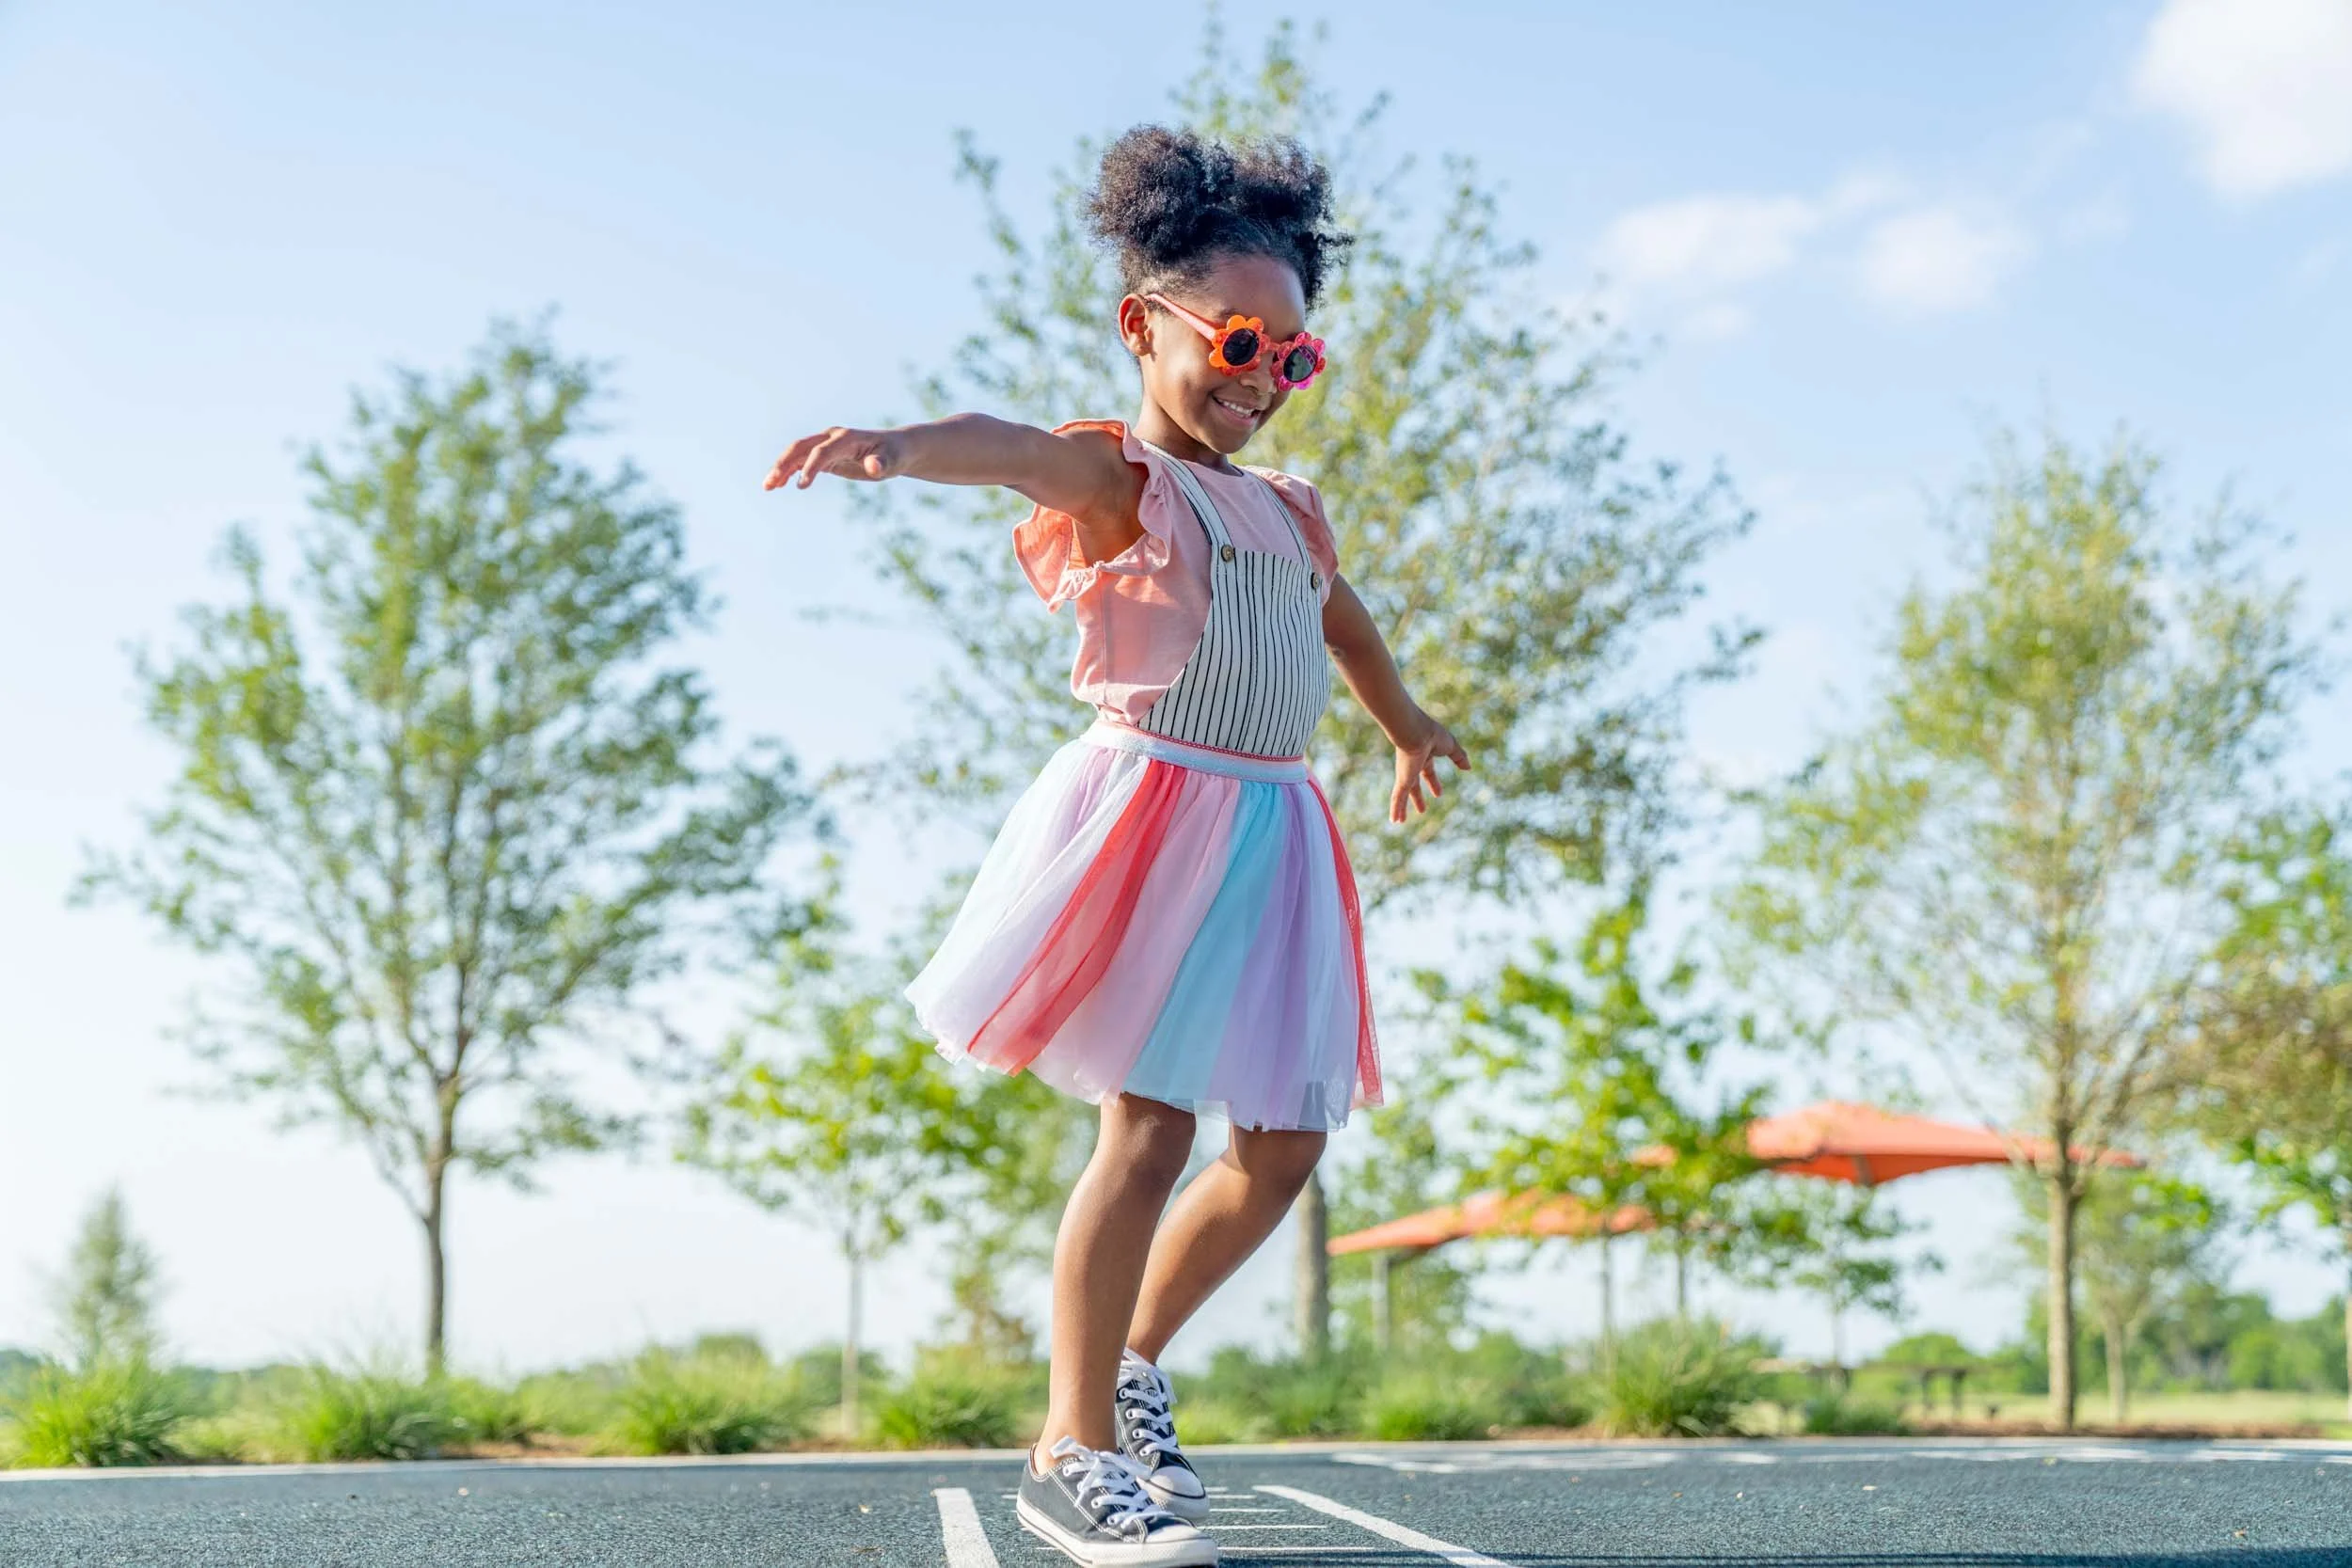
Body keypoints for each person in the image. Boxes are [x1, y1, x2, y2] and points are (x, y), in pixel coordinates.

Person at [764, 123, 1468, 1568]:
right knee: (1145, 1126)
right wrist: (899, 449)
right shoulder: (1123, 488)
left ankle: (1132, 1369)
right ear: (1145, 328)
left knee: (1284, 1143)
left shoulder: (1290, 509)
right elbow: (1012, 451)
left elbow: (1336, 617)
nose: (1263, 377)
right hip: (1154, 817)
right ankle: (1065, 1447)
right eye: (1236, 342)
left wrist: (1404, 723)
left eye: (1295, 357)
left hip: (1276, 836)